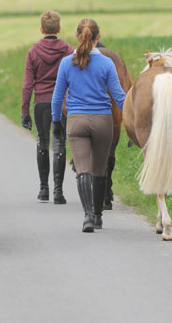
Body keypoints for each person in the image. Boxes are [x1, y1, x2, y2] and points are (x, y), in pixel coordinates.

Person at [51, 19, 125, 232]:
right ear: (98, 37)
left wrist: (57, 122)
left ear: (77, 36)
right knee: (100, 169)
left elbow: (57, 98)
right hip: (103, 121)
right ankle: (98, 214)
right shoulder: (107, 64)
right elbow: (119, 97)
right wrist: (131, 117)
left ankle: (87, 217)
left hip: (76, 122)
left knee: (82, 169)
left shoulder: (66, 63)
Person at [21, 10, 74, 204]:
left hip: (41, 102)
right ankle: (58, 192)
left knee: (42, 142)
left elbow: (27, 84)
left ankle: (44, 189)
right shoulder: (68, 50)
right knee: (60, 143)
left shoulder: (33, 52)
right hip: (63, 102)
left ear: (41, 29)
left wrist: (25, 111)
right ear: (59, 28)